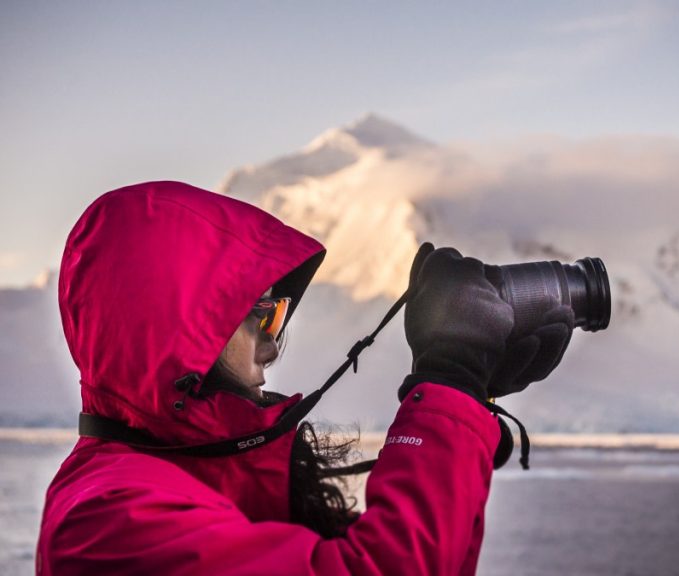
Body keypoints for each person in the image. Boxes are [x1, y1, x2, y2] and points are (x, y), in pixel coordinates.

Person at [37, 181, 573, 575]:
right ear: (174, 334)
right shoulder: (111, 523)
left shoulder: (169, 476)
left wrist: (465, 405)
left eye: (278, 317)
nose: (272, 344)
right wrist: (449, 383)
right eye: (260, 315)